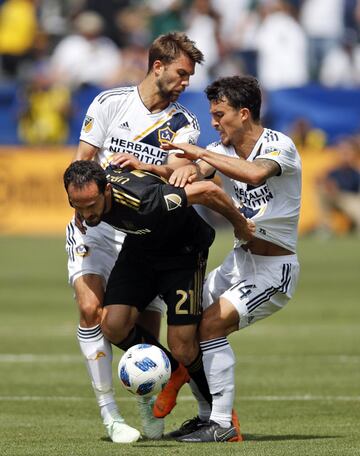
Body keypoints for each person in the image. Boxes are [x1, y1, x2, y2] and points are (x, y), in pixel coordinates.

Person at [65, 32, 204, 443]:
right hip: (97, 224)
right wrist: (80, 212)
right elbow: (83, 162)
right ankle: (109, 414)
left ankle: (153, 395)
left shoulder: (184, 123)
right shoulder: (110, 103)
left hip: (146, 234)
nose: (186, 82)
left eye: (190, 76)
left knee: (141, 328)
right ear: (157, 66)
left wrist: (178, 170)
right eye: (181, 73)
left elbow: (180, 167)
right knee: (92, 310)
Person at [64, 160, 255, 439]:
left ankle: (216, 416)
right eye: (76, 205)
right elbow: (122, 176)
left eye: (90, 205)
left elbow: (208, 192)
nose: (85, 212)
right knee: (112, 325)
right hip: (140, 252)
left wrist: (239, 224)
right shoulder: (95, 191)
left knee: (182, 345)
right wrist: (88, 209)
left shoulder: (146, 201)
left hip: (183, 254)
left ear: (106, 191)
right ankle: (174, 370)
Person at [162, 75, 301, 442]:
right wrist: (151, 168)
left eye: (218, 114)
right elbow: (191, 173)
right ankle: (207, 414)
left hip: (274, 271)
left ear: (243, 113)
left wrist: (201, 156)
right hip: (240, 261)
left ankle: (223, 425)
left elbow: (254, 175)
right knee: (185, 323)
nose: (213, 121)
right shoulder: (222, 150)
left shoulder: (278, 146)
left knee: (209, 326)